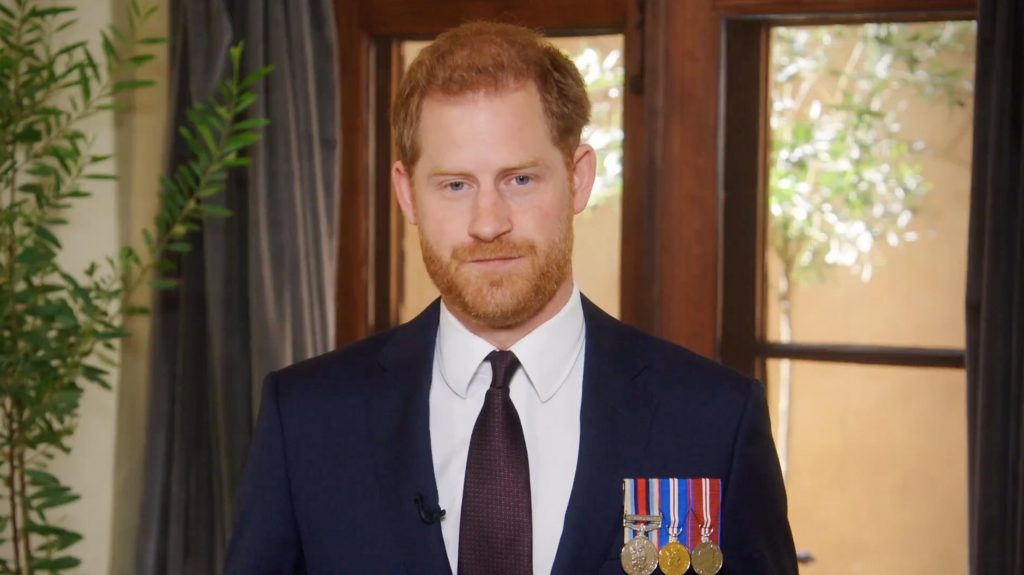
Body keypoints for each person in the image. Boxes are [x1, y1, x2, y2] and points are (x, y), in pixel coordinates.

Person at [225, 21, 796, 575]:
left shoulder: (712, 420)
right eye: (455, 185)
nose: (488, 223)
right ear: (407, 193)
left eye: (520, 179)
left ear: (578, 178)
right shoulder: (307, 421)